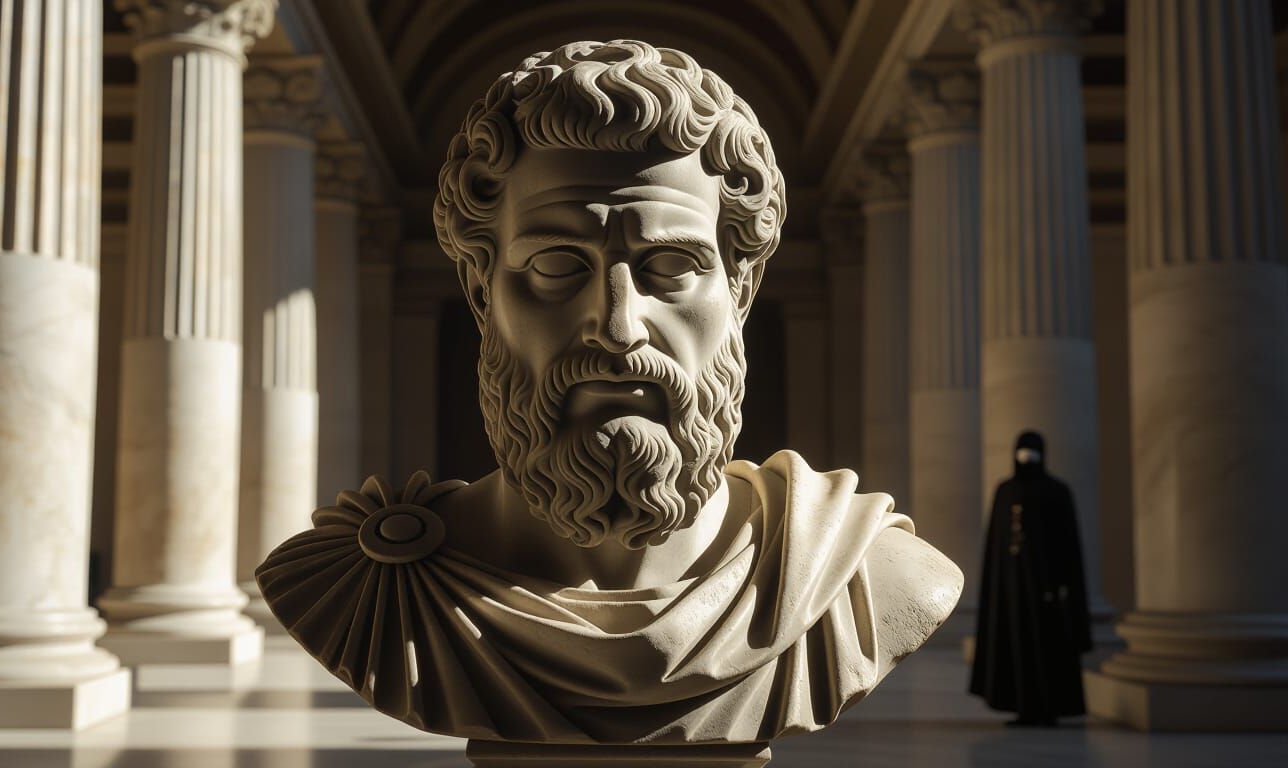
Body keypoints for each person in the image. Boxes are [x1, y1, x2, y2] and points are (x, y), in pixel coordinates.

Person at [255, 40, 963, 749]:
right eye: (559, 264)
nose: (620, 328)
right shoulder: (369, 591)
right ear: (480, 291)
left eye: (670, 267)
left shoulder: (869, 576)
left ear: (740, 290)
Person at [970, 430, 1093, 725]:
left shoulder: (1057, 491)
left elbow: (1068, 546)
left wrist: (1062, 587)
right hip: (1011, 591)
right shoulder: (1005, 491)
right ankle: (1021, 705)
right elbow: (996, 547)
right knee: (1016, 645)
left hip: (1047, 592)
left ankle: (1049, 708)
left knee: (1047, 648)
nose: (1027, 458)